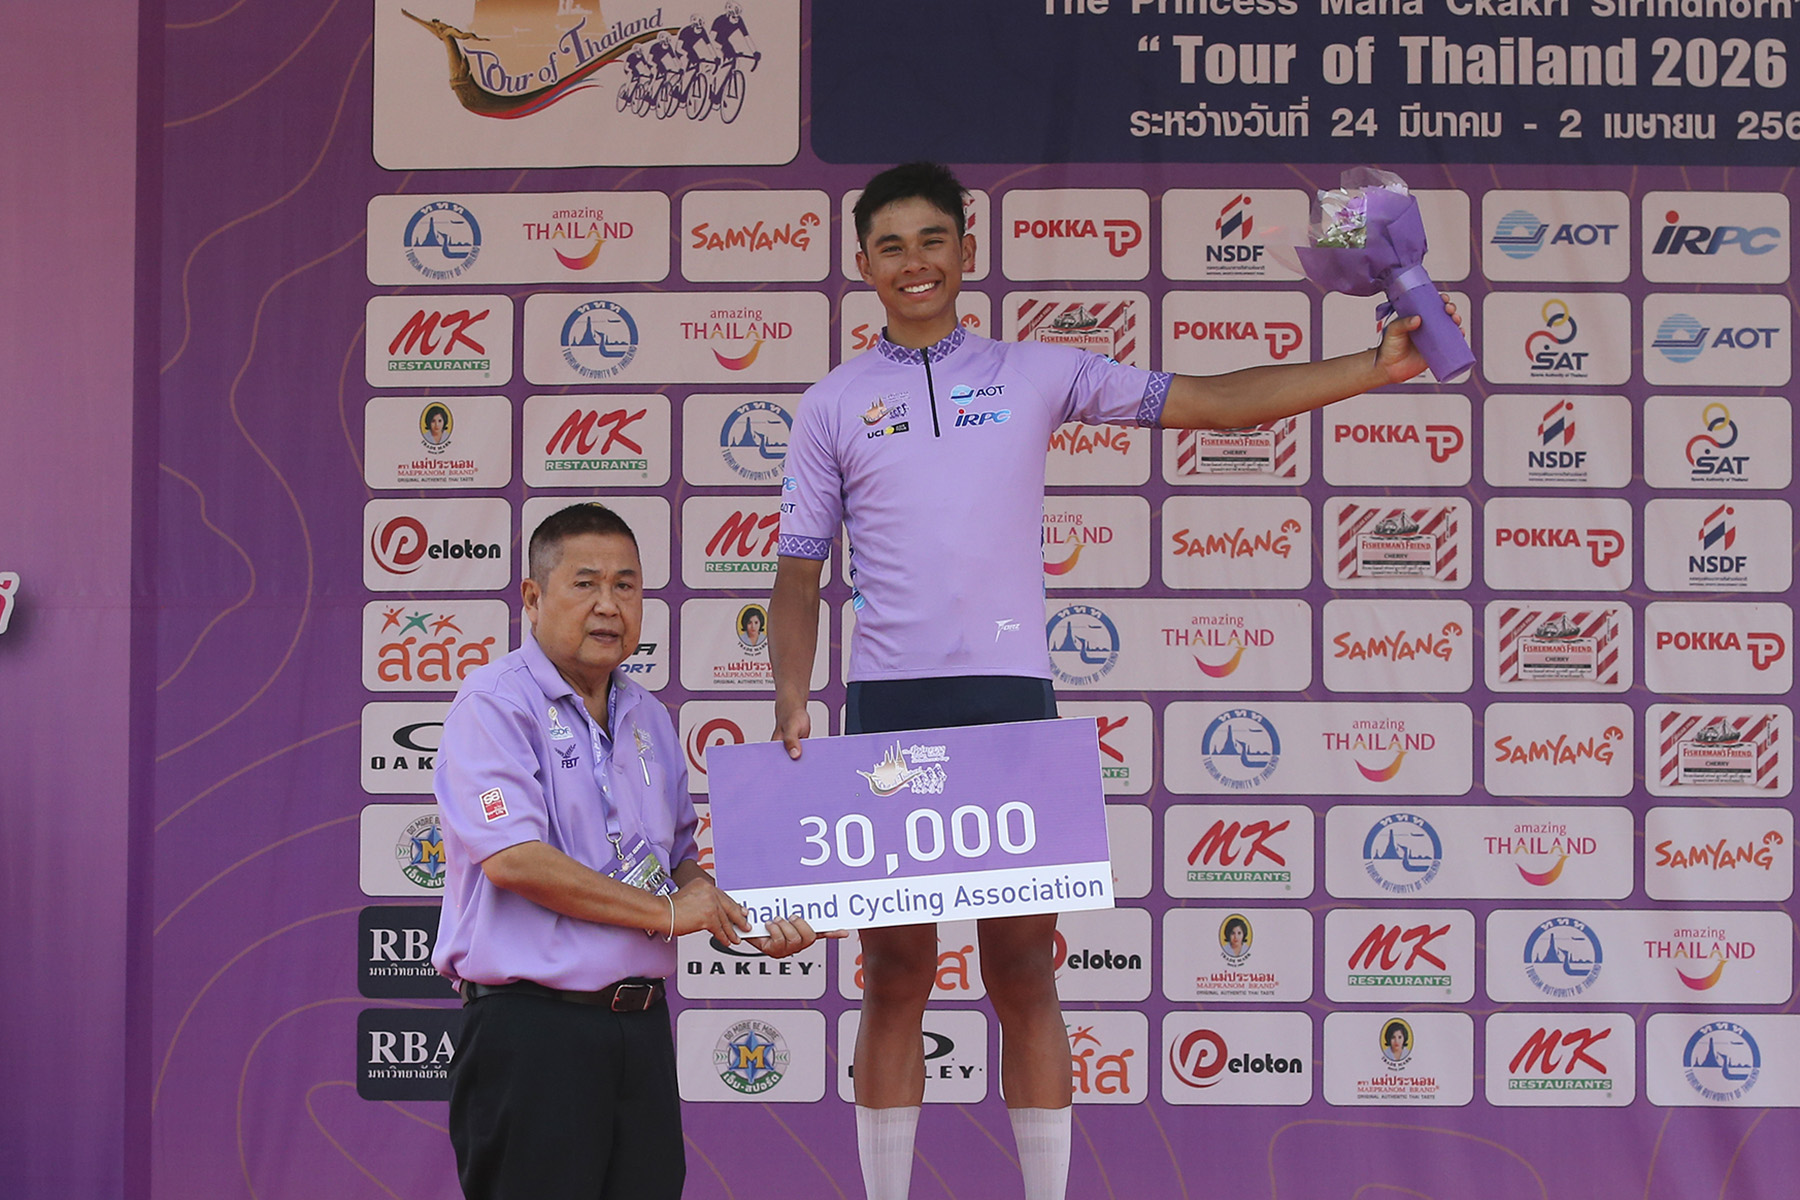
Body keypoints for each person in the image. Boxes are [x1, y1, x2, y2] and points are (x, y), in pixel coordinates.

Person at [768, 161, 1464, 1200]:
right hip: (889, 712)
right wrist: (791, 693)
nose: (915, 263)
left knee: (1022, 971)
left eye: (933, 240)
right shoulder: (831, 404)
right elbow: (797, 575)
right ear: (862, 263)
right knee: (895, 974)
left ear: (968, 249)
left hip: (1012, 708)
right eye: (891, 246)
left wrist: (1373, 367)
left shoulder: (1037, 371)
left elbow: (1216, 404)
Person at [434, 502, 821, 1200]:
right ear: (532, 597)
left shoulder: (648, 715)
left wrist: (752, 918)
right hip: (532, 1031)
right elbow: (515, 858)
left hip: (638, 1032)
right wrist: (669, 913)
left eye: (626, 585)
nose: (608, 605)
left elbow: (679, 865)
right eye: (585, 584)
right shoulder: (494, 704)